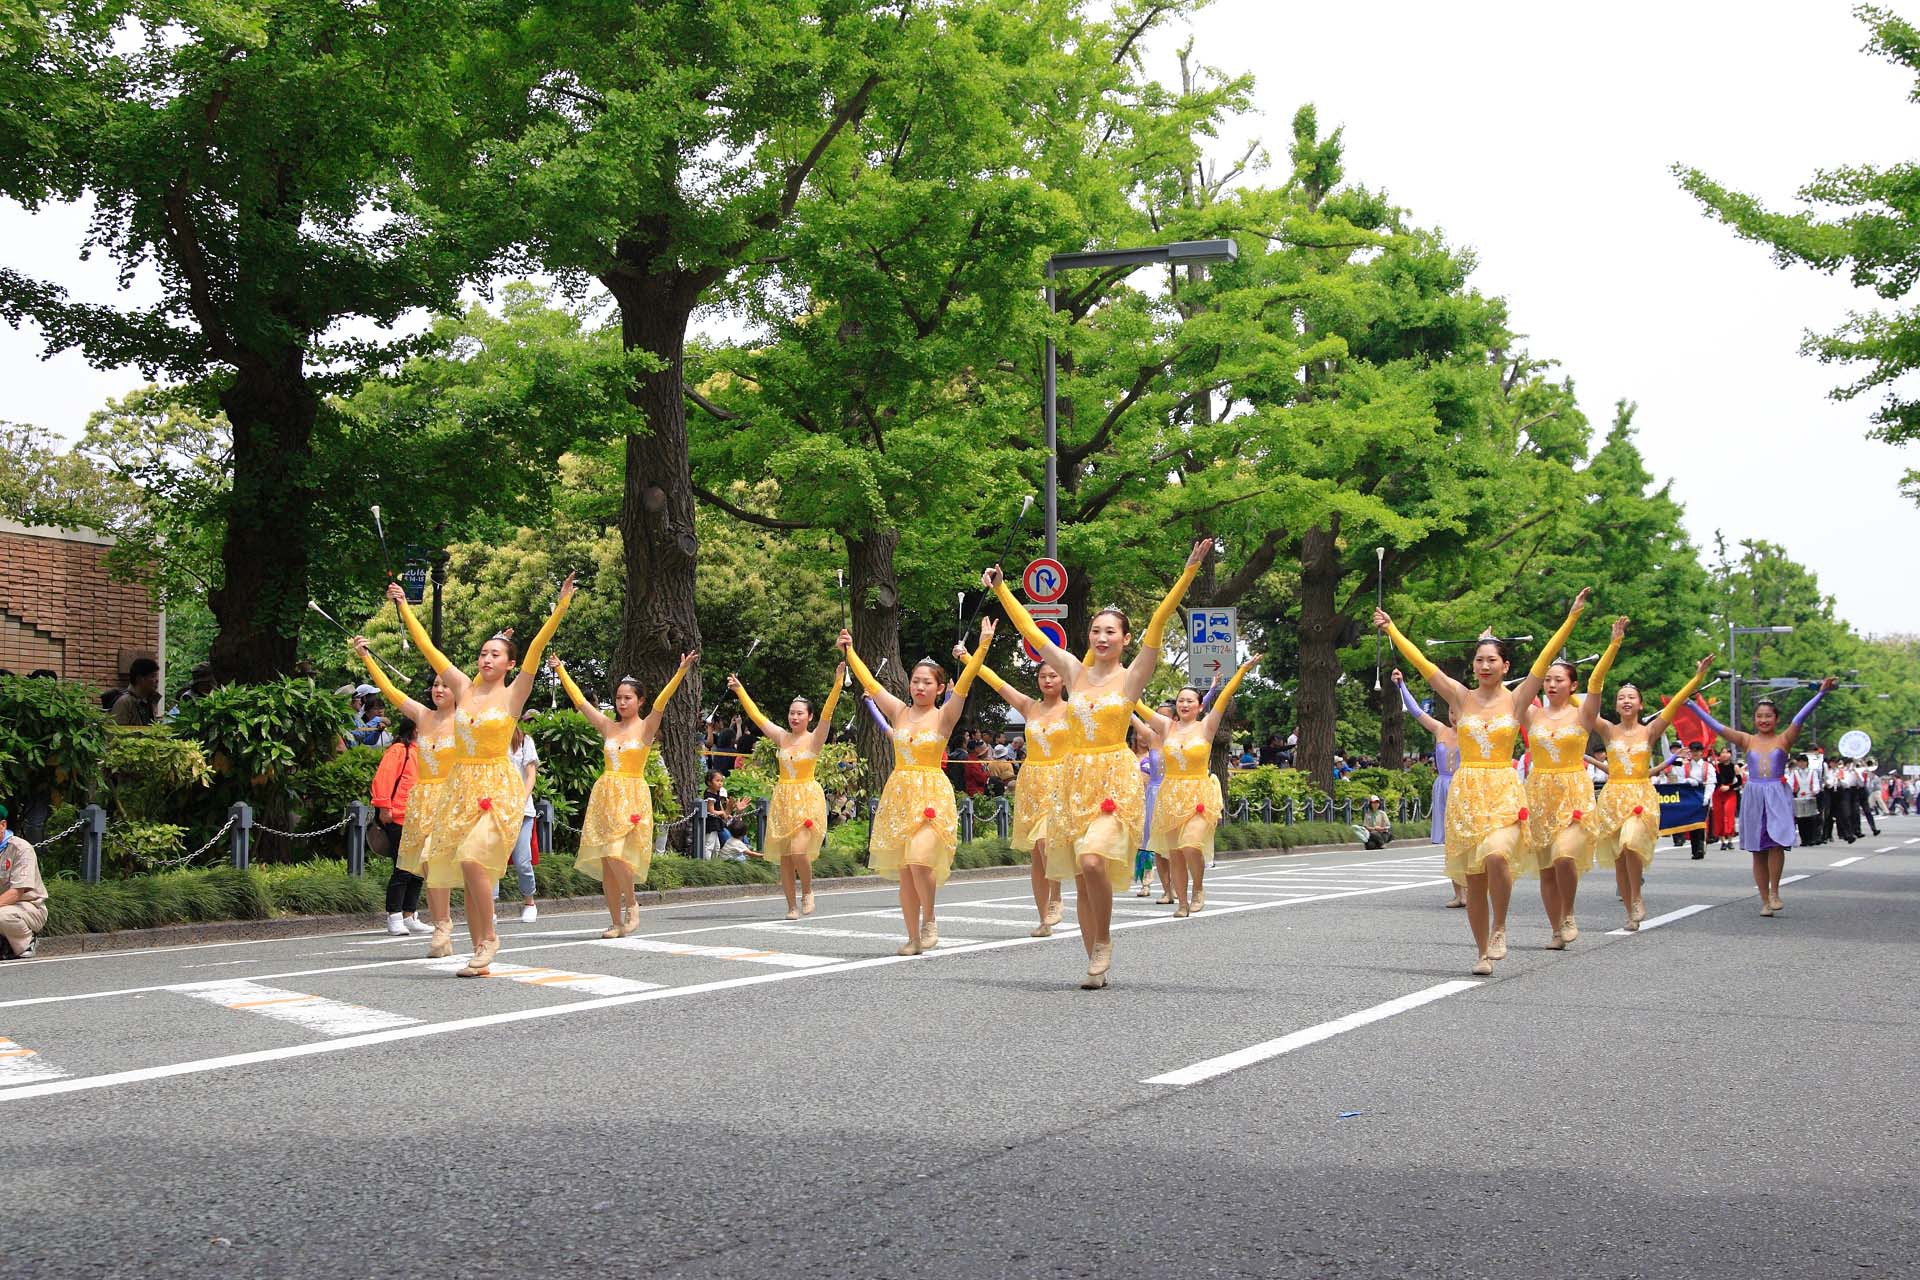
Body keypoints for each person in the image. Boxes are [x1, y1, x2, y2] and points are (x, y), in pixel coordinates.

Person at [986, 538, 1211, 990]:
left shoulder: (1133, 678)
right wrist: (1002, 590)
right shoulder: (1073, 672)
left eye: (1111, 632)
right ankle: (1093, 956)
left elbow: (1159, 622)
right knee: (1082, 878)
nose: (1102, 638)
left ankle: (1104, 941)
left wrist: (1187, 574)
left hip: (1113, 776)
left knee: (1092, 861)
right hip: (1073, 778)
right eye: (1096, 631)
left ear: (1125, 639)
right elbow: (1032, 631)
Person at [1379, 588, 1590, 975]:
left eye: (1492, 660)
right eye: (1479, 660)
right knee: (1474, 879)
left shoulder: (1518, 699)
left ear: (1506, 665)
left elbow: (1544, 659)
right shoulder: (1460, 697)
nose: (1485, 665)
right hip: (1466, 791)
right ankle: (1480, 952)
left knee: (1496, 855)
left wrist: (1572, 618)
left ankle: (1500, 927)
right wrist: (1393, 630)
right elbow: (1425, 665)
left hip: (1504, 788)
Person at [387, 575, 574, 977]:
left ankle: (489, 937)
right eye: (483, 653)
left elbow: (537, 650)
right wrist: (404, 607)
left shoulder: (514, 693)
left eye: (495, 655)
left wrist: (559, 608)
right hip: (460, 788)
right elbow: (427, 647)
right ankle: (478, 950)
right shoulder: (463, 688)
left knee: (473, 858)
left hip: (498, 788)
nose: (487, 659)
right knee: (467, 869)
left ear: (509, 663)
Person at [841, 621, 993, 955]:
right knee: (906, 868)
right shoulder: (897, 710)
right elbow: (870, 682)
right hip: (900, 791)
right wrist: (850, 651)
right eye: (915, 681)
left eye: (927, 682)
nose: (919, 687)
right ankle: (912, 936)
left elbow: (965, 684)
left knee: (921, 858)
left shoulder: (945, 715)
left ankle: (930, 919)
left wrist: (981, 647)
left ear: (940, 688)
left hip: (932, 793)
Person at [552, 651, 696, 936]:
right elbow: (581, 702)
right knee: (607, 862)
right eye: (618, 697)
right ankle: (616, 922)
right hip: (605, 795)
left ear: (640, 701)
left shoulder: (646, 728)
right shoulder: (608, 727)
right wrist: (560, 671)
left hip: (631, 794)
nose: (621, 702)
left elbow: (662, 702)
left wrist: (680, 672)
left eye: (628, 697)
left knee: (619, 856)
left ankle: (632, 904)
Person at [1585, 618, 1714, 930]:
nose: (1626, 701)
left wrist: (1697, 678)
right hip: (1613, 795)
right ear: (1616, 705)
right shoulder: (1607, 730)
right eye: (1621, 698)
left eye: (1632, 697)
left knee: (1631, 842)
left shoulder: (1650, 731)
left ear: (1641, 705)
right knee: (1618, 854)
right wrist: (1614, 644)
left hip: (1640, 795)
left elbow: (1678, 702)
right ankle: (1630, 908)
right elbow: (1593, 689)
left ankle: (1637, 897)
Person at [1690, 680, 1838, 915]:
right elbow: (1717, 727)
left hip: (1777, 794)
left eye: (1768, 716)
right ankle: (1764, 901)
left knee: (1777, 844)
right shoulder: (1747, 740)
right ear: (1754, 719)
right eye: (1759, 716)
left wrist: (1820, 694)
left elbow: (1800, 718)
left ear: (1776, 719)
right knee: (1758, 850)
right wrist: (1691, 704)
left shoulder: (1784, 739)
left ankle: (1775, 892)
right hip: (1754, 794)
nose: (1763, 720)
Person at [353, 638, 458, 951]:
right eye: (435, 684)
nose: (439, 689)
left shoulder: (466, 719)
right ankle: (417, 919)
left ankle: (444, 923)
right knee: (412, 863)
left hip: (452, 802)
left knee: (444, 867)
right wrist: (366, 658)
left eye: (446, 684)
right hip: (418, 806)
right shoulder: (422, 719)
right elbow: (390, 690)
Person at [1138, 657, 1261, 917]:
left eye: (1189, 700)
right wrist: (1124, 682)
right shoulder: (1166, 726)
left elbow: (1224, 697)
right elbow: (1137, 705)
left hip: (1198, 793)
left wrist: (1241, 671)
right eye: (1180, 700)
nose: (1184, 704)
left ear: (1198, 705)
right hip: (1170, 795)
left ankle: (1198, 888)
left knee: (1191, 845)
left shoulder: (1206, 726)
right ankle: (1182, 902)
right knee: (1175, 852)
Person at [964, 649, 1071, 935]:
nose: (1048, 680)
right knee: (1036, 852)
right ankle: (1042, 919)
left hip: (1060, 780)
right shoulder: (1029, 707)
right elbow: (999, 683)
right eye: (1043, 676)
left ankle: (1057, 896)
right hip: (1033, 782)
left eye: (1054, 675)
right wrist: (969, 659)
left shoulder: (1073, 710)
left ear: (1064, 679)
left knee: (1048, 841)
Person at [727, 664, 844, 920]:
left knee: (799, 850)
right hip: (784, 797)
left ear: (809, 717)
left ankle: (808, 891)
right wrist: (740, 690)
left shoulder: (815, 738)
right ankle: (791, 906)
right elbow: (758, 717)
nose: (795, 717)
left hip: (807, 797)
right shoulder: (781, 737)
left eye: (800, 713)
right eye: (792, 713)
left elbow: (827, 713)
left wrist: (837, 683)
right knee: (786, 857)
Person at [1519, 640, 1605, 950]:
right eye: (1548, 680)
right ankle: (1556, 929)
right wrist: (1486, 644)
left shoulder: (1583, 714)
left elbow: (1597, 683)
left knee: (1565, 855)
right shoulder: (1531, 714)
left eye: (1559, 680)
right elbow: (1511, 692)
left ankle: (1568, 913)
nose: (1552, 684)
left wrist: (1612, 645)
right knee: (1546, 869)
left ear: (1573, 685)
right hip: (1540, 793)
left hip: (1573, 792)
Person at [1396, 669, 1462, 906]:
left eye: (1459, 711)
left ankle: (1473, 888)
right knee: (1451, 842)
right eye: (1452, 711)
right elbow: (1416, 711)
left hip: (1465, 786)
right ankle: (1459, 893)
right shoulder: (1440, 730)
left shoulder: (1474, 733)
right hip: (1443, 786)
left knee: (1468, 839)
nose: (1455, 716)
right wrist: (1401, 685)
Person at [368, 718, 433, 936]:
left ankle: (410, 914)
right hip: (399, 817)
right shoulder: (399, 750)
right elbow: (383, 779)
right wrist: (384, 807)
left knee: (418, 871)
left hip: (421, 819)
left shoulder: (423, 752)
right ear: (416, 728)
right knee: (403, 868)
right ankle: (394, 916)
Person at [501, 725, 541, 922]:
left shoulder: (525, 741)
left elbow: (531, 774)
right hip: (495, 810)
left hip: (522, 811)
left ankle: (529, 902)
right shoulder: (491, 738)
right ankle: (488, 908)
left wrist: (521, 799)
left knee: (522, 859)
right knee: (493, 860)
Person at [0, 804, 46, 961]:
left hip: (28, 907)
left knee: (1, 916)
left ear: (3, 825)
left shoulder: (21, 849)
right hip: (3, 905)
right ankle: (5, 943)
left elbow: (16, 893)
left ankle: (26, 942)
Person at [111, 657, 162, 726]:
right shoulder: (124, 703)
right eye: (152, 676)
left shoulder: (150, 701)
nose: (157, 680)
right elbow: (116, 732)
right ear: (139, 679)